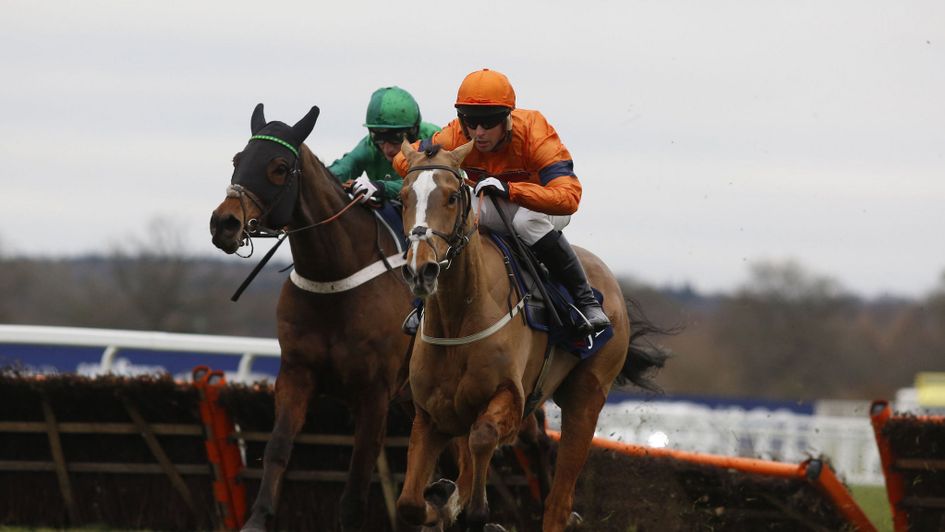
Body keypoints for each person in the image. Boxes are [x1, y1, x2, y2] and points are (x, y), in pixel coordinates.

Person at [393, 68, 610, 334]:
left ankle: (586, 301)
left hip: (544, 206)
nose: (479, 132)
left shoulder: (534, 131)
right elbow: (404, 159)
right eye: (471, 122)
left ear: (507, 118)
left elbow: (568, 197)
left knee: (525, 221)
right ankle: (423, 303)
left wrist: (511, 190)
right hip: (491, 200)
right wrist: (443, 165)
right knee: (451, 211)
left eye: (488, 123)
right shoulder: (455, 135)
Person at [328, 86, 440, 203]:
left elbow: (423, 184)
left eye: (395, 138)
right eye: (379, 138)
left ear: (413, 131)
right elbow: (344, 167)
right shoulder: (369, 146)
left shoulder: (435, 139)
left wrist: (381, 187)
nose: (387, 148)